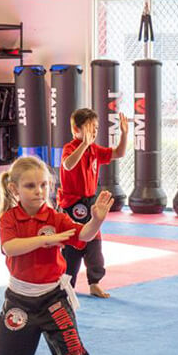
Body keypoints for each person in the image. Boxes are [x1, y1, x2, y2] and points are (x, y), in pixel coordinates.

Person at [0, 156, 113, 355]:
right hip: (19, 299)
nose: (39, 191)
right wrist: (47, 240)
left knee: (73, 352)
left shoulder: (55, 217)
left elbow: (84, 236)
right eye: (31, 186)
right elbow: (10, 247)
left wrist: (97, 221)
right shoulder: (10, 218)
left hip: (53, 298)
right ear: (14, 189)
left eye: (43, 185)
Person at [58, 107, 129, 299]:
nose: (94, 133)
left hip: (90, 202)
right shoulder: (71, 148)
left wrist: (124, 134)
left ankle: (94, 282)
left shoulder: (95, 150)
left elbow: (119, 153)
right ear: (76, 131)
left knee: (95, 245)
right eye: (90, 129)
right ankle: (66, 284)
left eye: (96, 129)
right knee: (73, 246)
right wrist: (83, 145)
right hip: (73, 204)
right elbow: (68, 164)